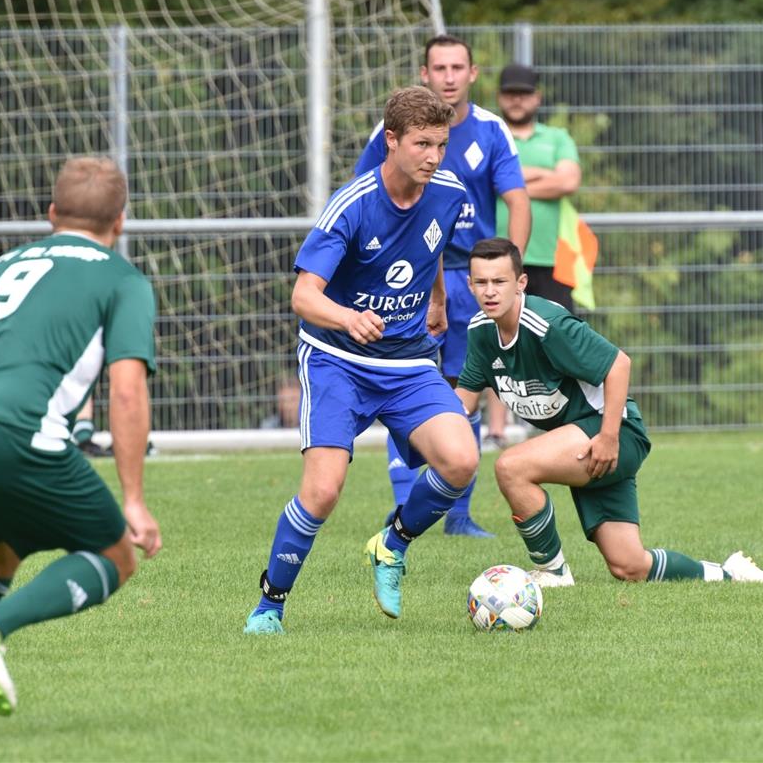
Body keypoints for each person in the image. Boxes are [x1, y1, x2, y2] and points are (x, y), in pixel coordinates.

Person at [0, 156, 160, 737]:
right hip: (16, 431)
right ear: (119, 223)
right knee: (116, 555)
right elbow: (126, 392)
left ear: (52, 214)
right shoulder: (123, 280)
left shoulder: (1, 268)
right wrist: (134, 500)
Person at [243, 86, 480, 636]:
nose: (433, 156)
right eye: (422, 144)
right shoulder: (352, 204)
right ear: (390, 141)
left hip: (408, 361)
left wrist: (439, 299)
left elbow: (434, 242)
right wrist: (348, 318)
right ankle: (270, 606)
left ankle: (390, 545)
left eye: (441, 145)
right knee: (323, 490)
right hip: (337, 360)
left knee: (462, 460)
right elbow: (303, 296)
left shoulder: (447, 191)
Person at [456, 238, 763, 586]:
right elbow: (464, 402)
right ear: (470, 284)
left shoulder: (547, 324)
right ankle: (731, 573)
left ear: (520, 283)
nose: (490, 291)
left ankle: (552, 573)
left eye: (499, 281)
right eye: (481, 282)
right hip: (579, 440)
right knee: (630, 566)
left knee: (511, 467)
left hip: (611, 431)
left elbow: (618, 364)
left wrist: (608, 437)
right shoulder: (481, 331)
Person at [354, 35, 531, 538]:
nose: (449, 75)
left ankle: (457, 516)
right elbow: (362, 195)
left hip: (473, 278)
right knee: (401, 384)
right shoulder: (389, 132)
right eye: (440, 67)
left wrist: (507, 275)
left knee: (464, 386)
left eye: (458, 67)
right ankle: (406, 506)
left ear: (473, 73)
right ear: (424, 72)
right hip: (407, 278)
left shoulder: (492, 130)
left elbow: (518, 201)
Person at [495, 63, 582, 312]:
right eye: (510, 94)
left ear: (537, 98)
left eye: (524, 94)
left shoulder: (557, 137)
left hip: (551, 260)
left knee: (556, 342)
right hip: (497, 261)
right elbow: (485, 180)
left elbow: (568, 181)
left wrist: (507, 186)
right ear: (500, 97)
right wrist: (545, 174)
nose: (517, 100)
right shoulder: (492, 136)